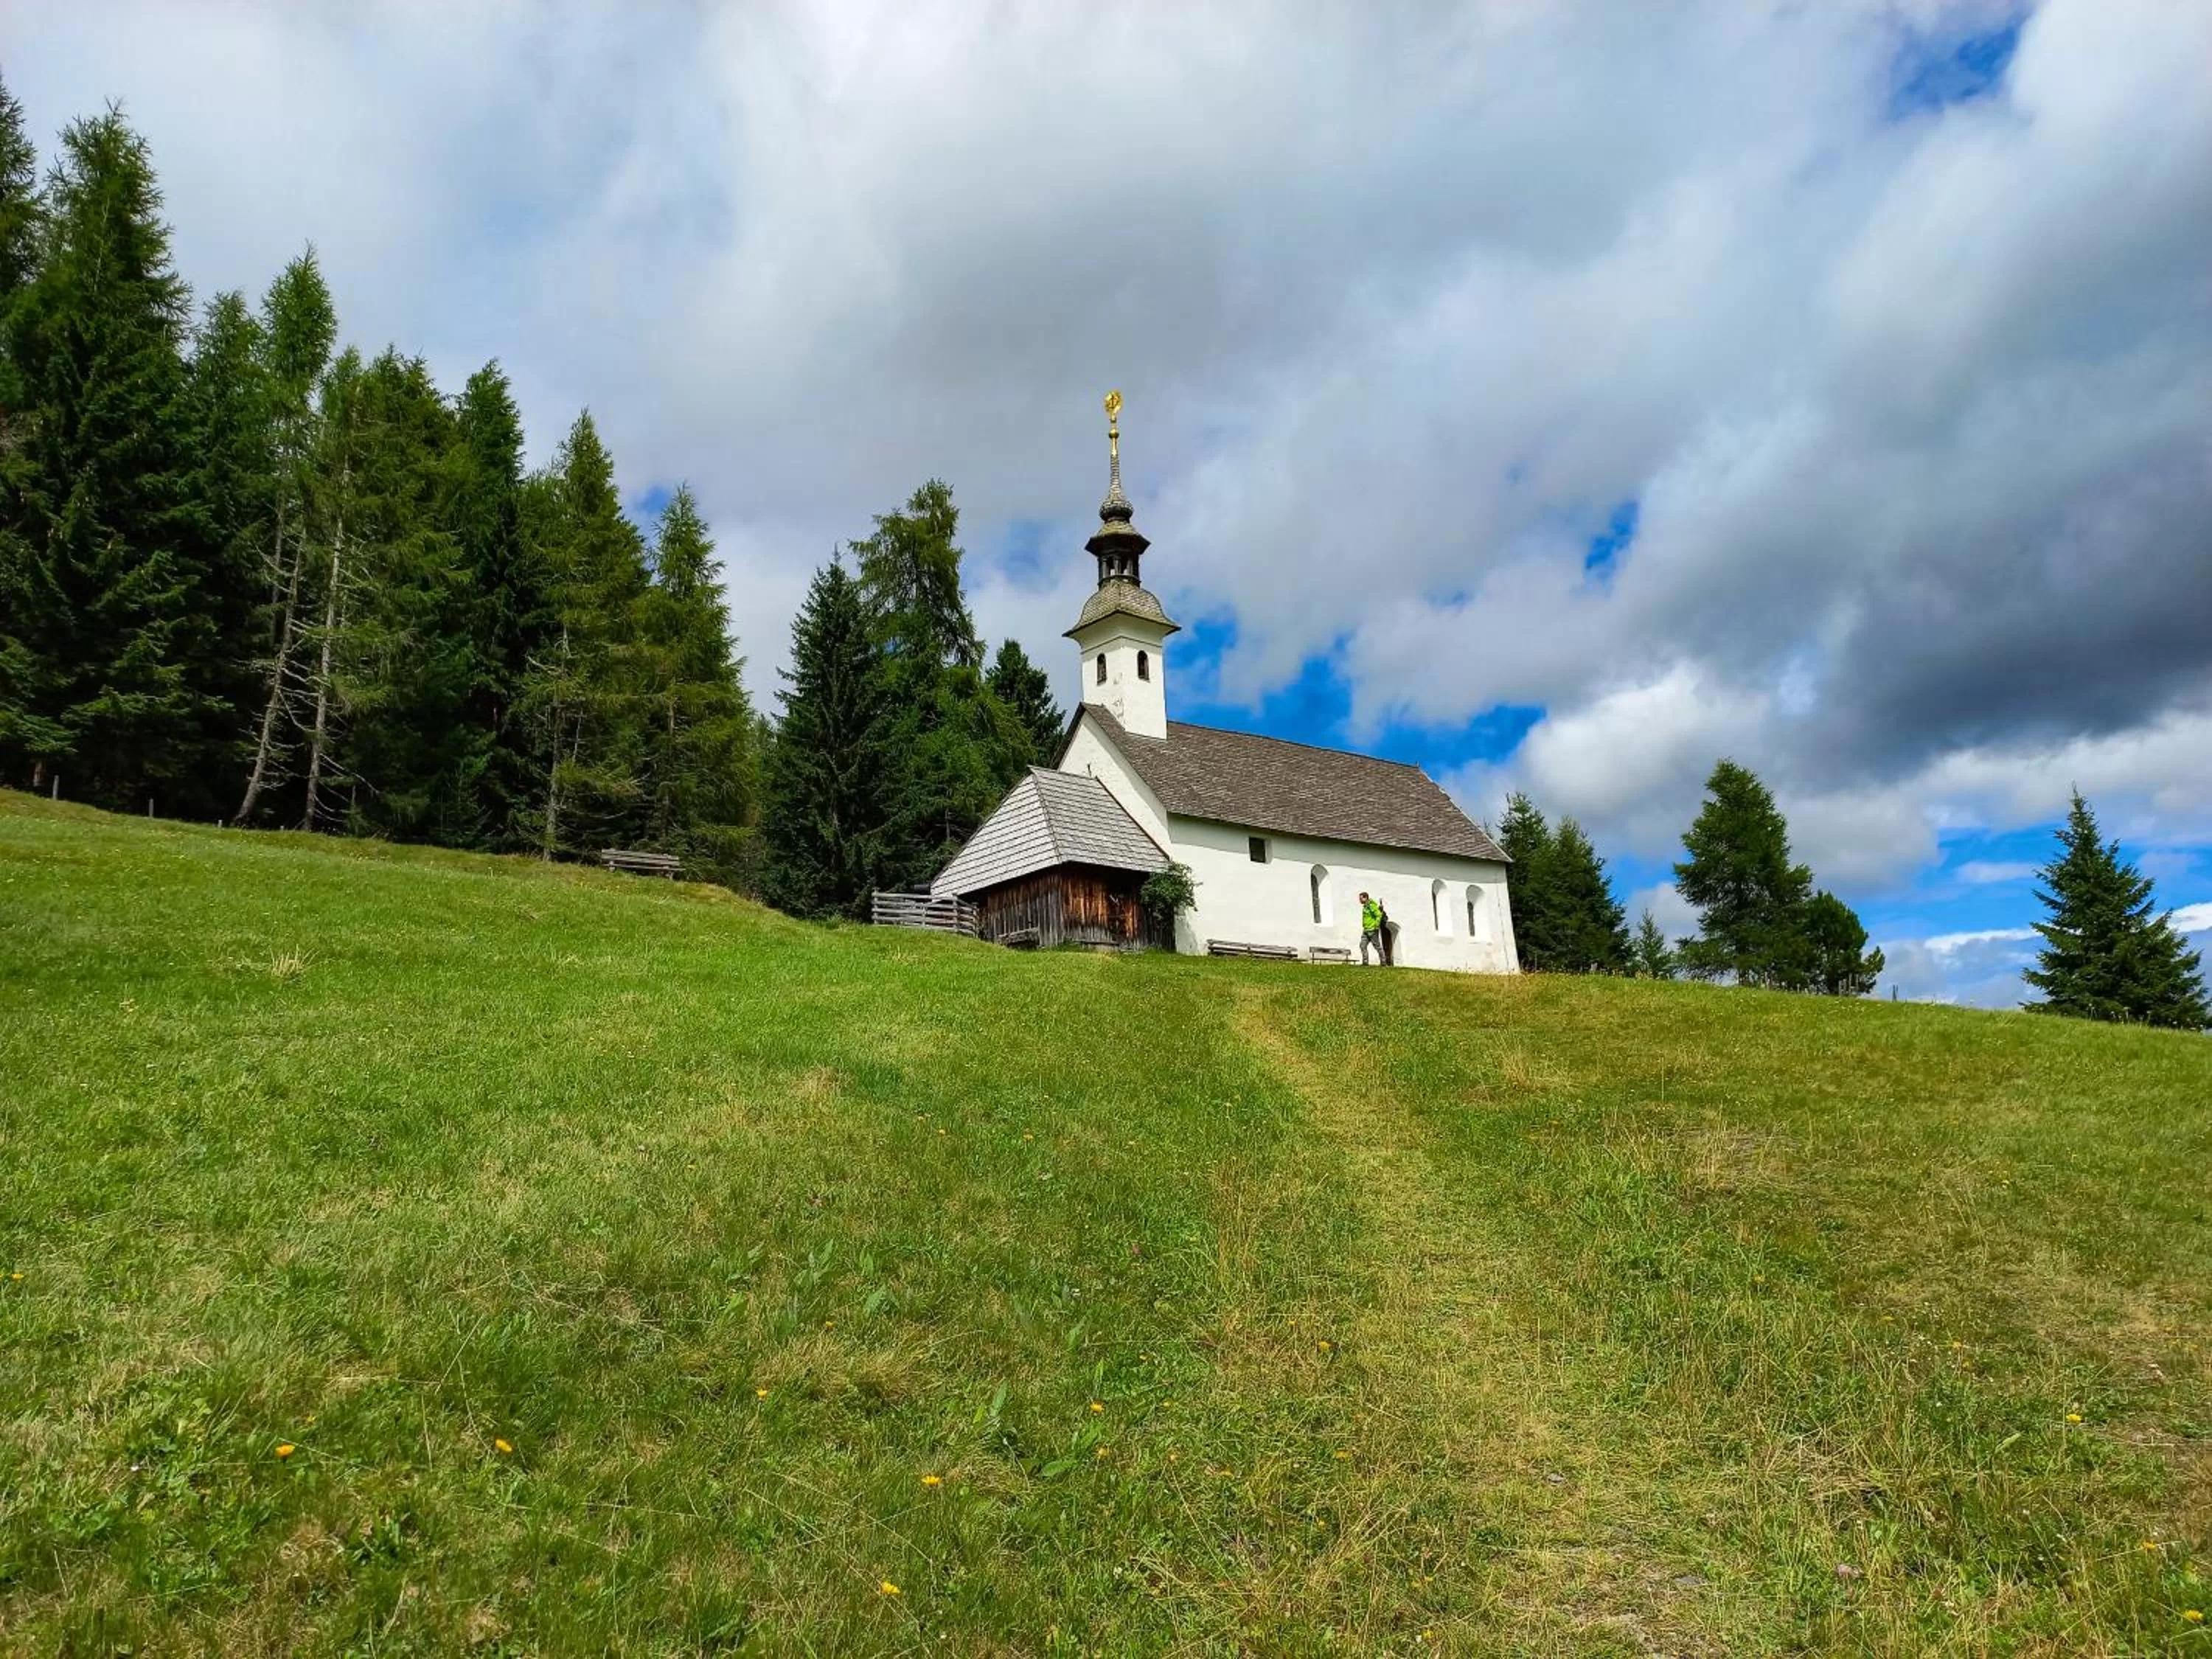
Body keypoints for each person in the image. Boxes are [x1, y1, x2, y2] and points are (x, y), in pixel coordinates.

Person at [1359, 891, 1384, 965]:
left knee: (1377, 947)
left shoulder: (1371, 906)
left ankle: (1383, 962)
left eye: (1361, 899)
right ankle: (1365, 962)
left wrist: (1376, 926)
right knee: (1362, 946)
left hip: (1372, 930)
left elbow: (1379, 915)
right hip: (1366, 930)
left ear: (1365, 898)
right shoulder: (1365, 907)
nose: (1360, 900)